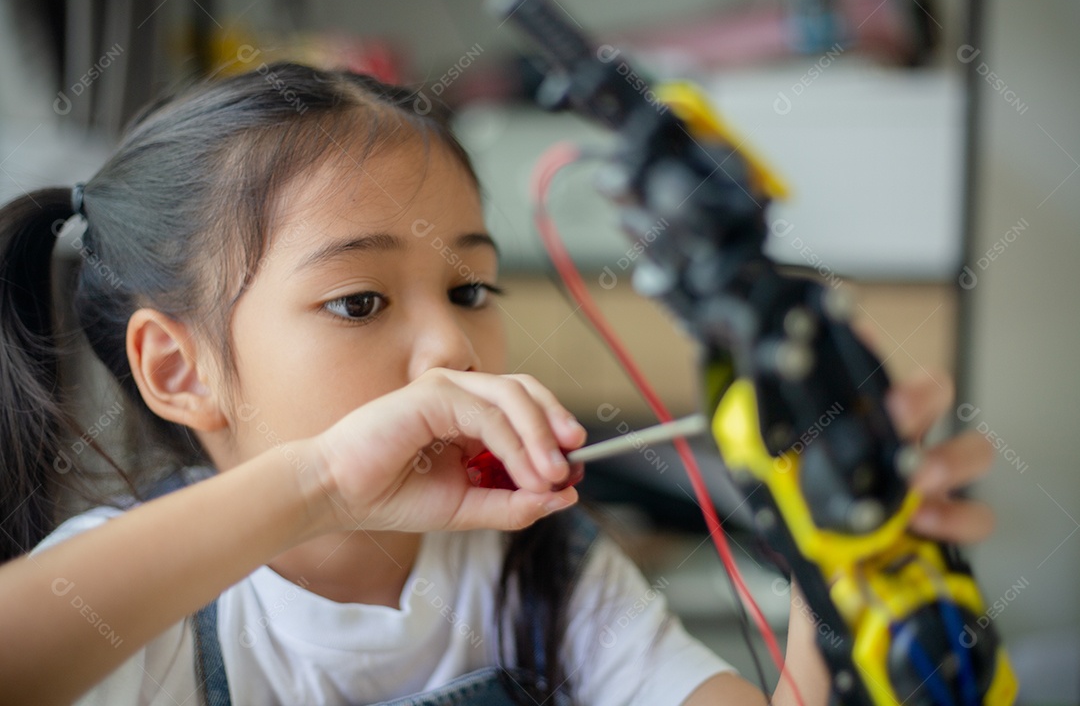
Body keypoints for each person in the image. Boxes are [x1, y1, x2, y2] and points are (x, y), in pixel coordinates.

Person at [0, 62, 994, 706]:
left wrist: (840, 578)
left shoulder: (543, 565)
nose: (451, 347)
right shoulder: (126, 597)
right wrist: (321, 483)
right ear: (179, 370)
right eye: (358, 302)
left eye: (470, 288)